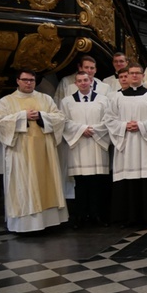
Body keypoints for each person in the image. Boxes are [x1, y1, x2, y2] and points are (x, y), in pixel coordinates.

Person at [0, 69, 68, 232]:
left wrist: (41, 116)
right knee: (24, 184)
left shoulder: (45, 99)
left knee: (46, 183)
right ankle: (26, 226)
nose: (29, 83)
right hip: (21, 153)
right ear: (18, 81)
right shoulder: (6, 102)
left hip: (44, 151)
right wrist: (22, 116)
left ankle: (49, 222)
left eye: (32, 80)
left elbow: (60, 117)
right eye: (25, 80)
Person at [105, 64, 147, 227]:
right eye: (130, 73)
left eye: (137, 73)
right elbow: (109, 120)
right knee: (127, 181)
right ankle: (128, 217)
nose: (134, 76)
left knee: (146, 180)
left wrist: (140, 125)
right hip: (126, 144)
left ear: (142, 76)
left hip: (145, 145)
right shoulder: (117, 98)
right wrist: (125, 126)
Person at [60, 72, 111, 227]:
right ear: (75, 83)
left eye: (86, 80)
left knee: (96, 183)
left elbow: (108, 120)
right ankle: (80, 216)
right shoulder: (67, 101)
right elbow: (64, 121)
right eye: (80, 81)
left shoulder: (103, 100)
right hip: (79, 147)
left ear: (91, 82)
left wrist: (93, 130)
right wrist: (82, 129)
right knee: (81, 184)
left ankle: (96, 215)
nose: (83, 83)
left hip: (97, 144)